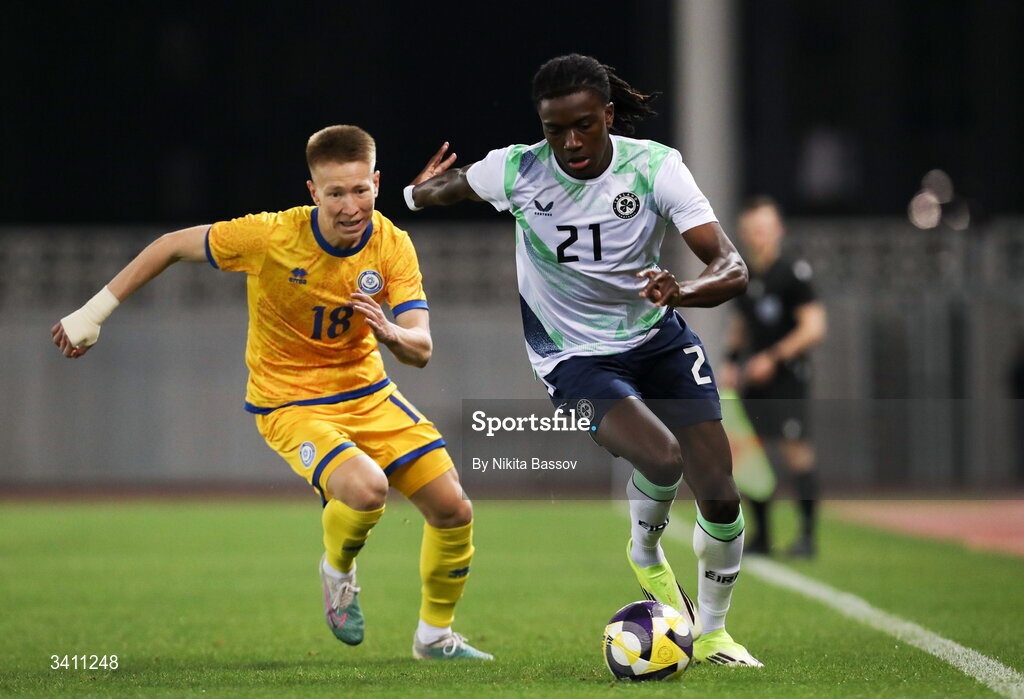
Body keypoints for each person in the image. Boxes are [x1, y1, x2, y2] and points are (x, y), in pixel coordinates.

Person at [51, 125, 492, 661]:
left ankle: (434, 637)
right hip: (290, 401)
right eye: (335, 193)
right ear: (313, 192)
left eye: (359, 190)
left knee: (454, 509)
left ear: (376, 183)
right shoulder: (270, 237)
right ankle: (338, 569)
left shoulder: (393, 244)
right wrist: (93, 313)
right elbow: (169, 246)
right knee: (366, 490)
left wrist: (392, 332)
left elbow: (421, 348)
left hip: (368, 392)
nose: (350, 206)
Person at [404, 54, 760, 666]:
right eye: (554, 128)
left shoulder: (654, 168)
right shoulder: (518, 171)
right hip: (571, 356)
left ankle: (715, 633)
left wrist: (684, 291)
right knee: (661, 456)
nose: (570, 142)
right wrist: (414, 192)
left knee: (723, 496)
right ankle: (645, 553)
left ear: (609, 116)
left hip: (658, 337)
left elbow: (731, 265)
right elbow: (452, 186)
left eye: (585, 125)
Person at [721, 196, 827, 558]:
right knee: (753, 458)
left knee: (797, 453)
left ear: (778, 229)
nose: (758, 235)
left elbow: (814, 327)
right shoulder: (746, 274)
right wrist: (731, 361)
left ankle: (807, 538)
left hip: (787, 379)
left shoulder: (793, 272)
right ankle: (763, 538)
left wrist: (773, 356)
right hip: (755, 380)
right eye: (751, 230)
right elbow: (740, 326)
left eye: (764, 228)